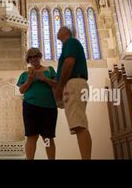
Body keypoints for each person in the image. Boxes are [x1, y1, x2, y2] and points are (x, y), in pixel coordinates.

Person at [55, 26, 92, 159]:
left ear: (66, 32)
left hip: (74, 83)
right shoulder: (69, 44)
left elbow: (69, 63)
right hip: (74, 84)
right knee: (79, 125)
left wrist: (59, 87)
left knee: (80, 126)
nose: (57, 31)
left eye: (60, 29)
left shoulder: (70, 42)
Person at [16, 47, 58, 160]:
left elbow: (57, 84)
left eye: (35, 56)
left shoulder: (49, 70)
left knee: (48, 138)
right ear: (28, 60)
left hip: (49, 107)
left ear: (39, 57)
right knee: (31, 136)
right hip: (30, 107)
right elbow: (21, 90)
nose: (33, 59)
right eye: (30, 57)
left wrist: (44, 79)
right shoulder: (24, 74)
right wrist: (29, 79)